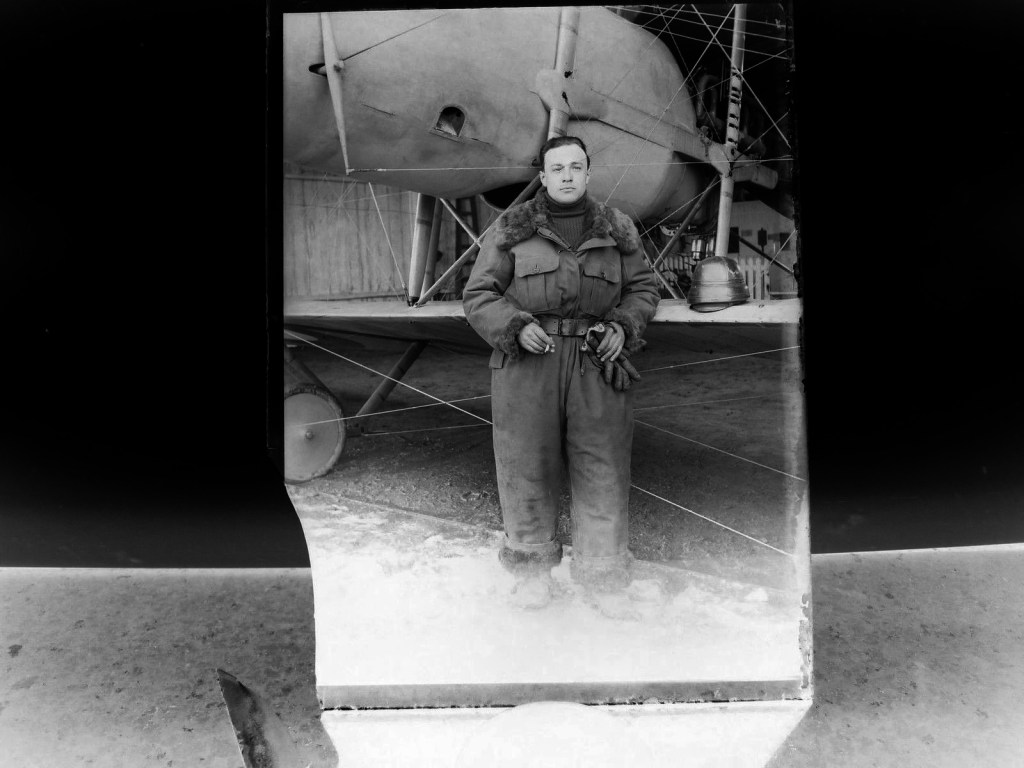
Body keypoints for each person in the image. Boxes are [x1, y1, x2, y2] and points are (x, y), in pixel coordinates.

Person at [463, 135, 660, 609]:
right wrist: (513, 326)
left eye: (576, 167)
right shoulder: (511, 228)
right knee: (526, 466)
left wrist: (623, 324)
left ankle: (604, 581)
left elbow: (644, 290)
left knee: (603, 468)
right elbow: (479, 294)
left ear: (588, 175)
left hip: (597, 361)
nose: (567, 176)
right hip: (528, 363)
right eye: (558, 168)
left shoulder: (618, 229)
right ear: (544, 176)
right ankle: (532, 575)